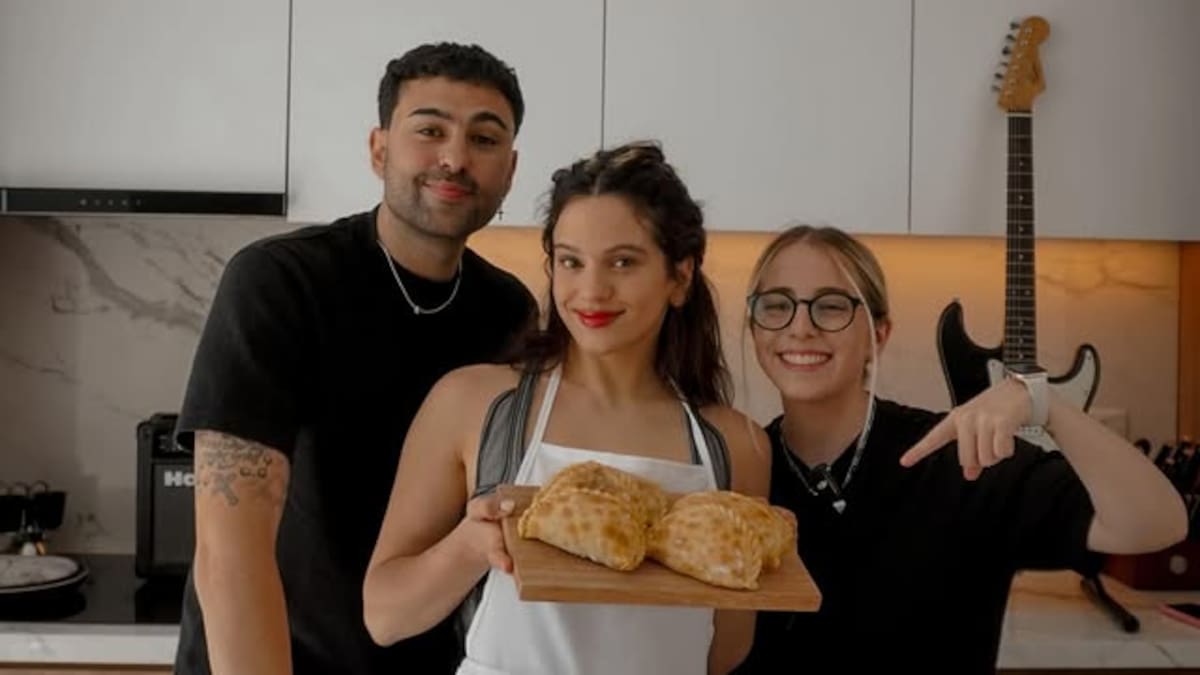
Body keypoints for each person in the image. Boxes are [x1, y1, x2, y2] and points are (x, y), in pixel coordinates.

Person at [173, 42, 537, 675]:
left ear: (508, 170)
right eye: (429, 130)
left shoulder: (508, 312)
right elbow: (229, 551)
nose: (455, 158)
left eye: (484, 139)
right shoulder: (280, 282)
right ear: (379, 149)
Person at [362, 140, 771, 675]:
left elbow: (726, 647)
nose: (590, 290)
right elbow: (384, 616)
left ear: (680, 277)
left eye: (623, 261)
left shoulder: (736, 443)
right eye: (570, 262)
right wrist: (469, 545)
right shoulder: (472, 403)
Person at [732, 225, 1188, 674]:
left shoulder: (961, 462)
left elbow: (1155, 525)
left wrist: (1044, 404)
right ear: (754, 327)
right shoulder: (737, 473)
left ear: (881, 333)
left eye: (831, 307)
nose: (801, 327)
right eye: (777, 305)